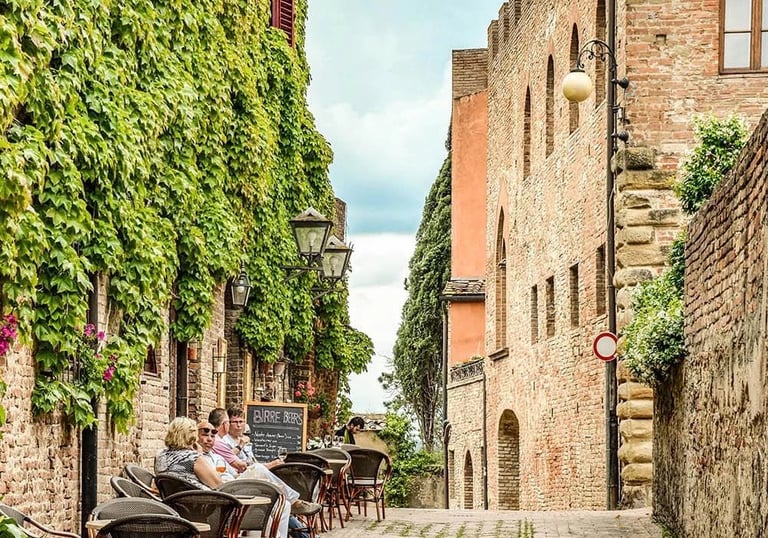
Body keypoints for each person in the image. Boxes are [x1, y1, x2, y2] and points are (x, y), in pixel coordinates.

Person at [155, 416, 222, 489]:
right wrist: (200, 455)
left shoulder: (160, 455)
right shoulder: (193, 458)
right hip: (199, 498)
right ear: (191, 436)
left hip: (171, 498)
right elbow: (218, 484)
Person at [209, 407, 248, 475]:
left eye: (241, 422)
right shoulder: (217, 441)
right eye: (229, 422)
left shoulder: (217, 439)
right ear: (224, 424)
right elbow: (241, 466)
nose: (238, 425)